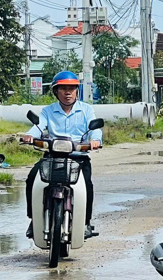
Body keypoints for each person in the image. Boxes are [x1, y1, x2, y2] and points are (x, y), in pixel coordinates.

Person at [23, 71, 103, 239]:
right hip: (52, 157)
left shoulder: (86, 110)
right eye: (63, 89)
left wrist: (95, 140)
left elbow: (95, 130)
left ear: (77, 91)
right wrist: (30, 136)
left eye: (72, 88)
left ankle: (86, 223)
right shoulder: (48, 111)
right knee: (32, 178)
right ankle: (34, 219)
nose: (68, 92)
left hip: (78, 158)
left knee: (87, 185)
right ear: (55, 91)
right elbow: (38, 127)